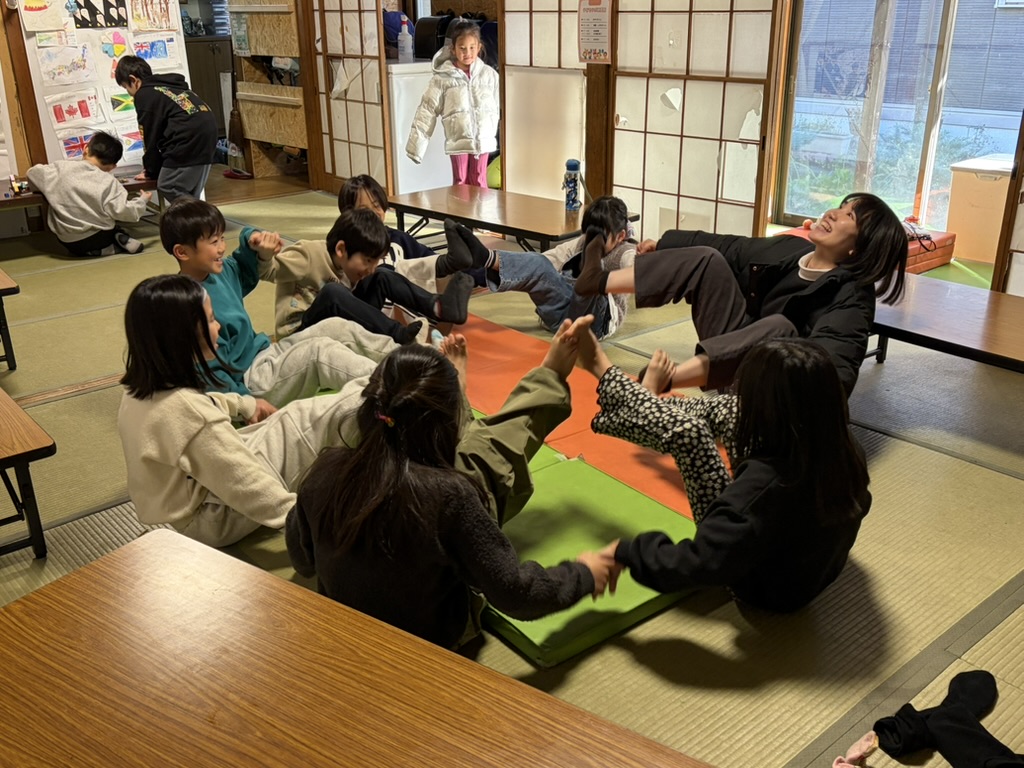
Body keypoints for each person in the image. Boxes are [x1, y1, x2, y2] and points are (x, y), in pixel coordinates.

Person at [286, 318, 615, 649]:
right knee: (483, 456)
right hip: (430, 647)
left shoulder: (324, 470)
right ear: (447, 424)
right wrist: (584, 573)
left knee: (470, 456)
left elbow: (302, 560)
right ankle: (546, 380)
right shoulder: (450, 496)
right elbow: (515, 593)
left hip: (342, 630)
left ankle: (506, 386)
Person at [575, 329, 871, 612]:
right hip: (804, 563)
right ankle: (646, 401)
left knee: (688, 436)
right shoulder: (844, 446)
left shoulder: (760, 491)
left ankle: (614, 380)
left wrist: (625, 552)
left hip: (767, 591)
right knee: (729, 410)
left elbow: (698, 564)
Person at [118, 274, 373, 547]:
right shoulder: (188, 413)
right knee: (309, 416)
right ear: (183, 335)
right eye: (212, 319)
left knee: (293, 411)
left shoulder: (138, 392)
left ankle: (382, 384)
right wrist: (298, 522)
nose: (219, 326)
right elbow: (243, 480)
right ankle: (384, 392)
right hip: (213, 518)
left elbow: (205, 407)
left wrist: (243, 404)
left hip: (193, 507)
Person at [573, 193, 908, 396]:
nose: (834, 212)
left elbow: (836, 374)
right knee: (708, 259)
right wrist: (663, 244)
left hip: (770, 392)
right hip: (733, 358)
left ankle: (667, 379)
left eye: (850, 216)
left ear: (859, 248)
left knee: (782, 327)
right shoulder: (793, 251)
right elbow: (732, 246)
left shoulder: (851, 297)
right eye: (841, 206)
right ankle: (597, 280)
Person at [163, 197, 397, 407]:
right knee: (319, 353)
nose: (222, 247)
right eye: (214, 242)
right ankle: (394, 390)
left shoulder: (221, 272)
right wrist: (246, 404)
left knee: (335, 327)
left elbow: (245, 261)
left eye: (223, 238)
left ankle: (406, 359)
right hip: (250, 381)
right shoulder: (185, 304)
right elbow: (209, 372)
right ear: (182, 252)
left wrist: (253, 238)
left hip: (266, 352)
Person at [263, 208, 474, 345]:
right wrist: (263, 251)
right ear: (341, 249)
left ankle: (439, 307)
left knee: (382, 276)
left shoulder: (352, 268)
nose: (370, 268)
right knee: (333, 293)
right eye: (367, 261)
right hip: (298, 336)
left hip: (333, 329)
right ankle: (399, 335)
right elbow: (268, 271)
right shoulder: (309, 254)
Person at [444, 195, 637, 339]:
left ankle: (475, 270)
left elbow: (637, 272)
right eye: (589, 234)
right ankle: (484, 258)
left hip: (595, 324)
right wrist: (524, 268)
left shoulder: (624, 252)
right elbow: (549, 260)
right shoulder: (581, 243)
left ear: (620, 236)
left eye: (599, 237)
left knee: (594, 268)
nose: (591, 240)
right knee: (539, 262)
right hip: (564, 316)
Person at [338, 174, 471, 293]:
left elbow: (429, 258)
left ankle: (473, 263)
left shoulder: (398, 238)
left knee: (436, 267)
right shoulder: (344, 246)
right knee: (388, 272)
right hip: (367, 305)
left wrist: (479, 270)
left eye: (376, 206)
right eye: (364, 209)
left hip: (403, 305)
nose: (373, 213)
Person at [26, 131, 151, 257]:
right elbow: (124, 211)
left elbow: (32, 173)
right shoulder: (109, 182)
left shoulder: (60, 168)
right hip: (99, 237)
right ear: (112, 166)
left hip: (67, 240)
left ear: (85, 149)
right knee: (115, 227)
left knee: (79, 244)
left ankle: (103, 250)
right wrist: (142, 201)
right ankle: (115, 242)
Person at [406, 19, 499, 188]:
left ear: (479, 47)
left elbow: (499, 106)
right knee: (460, 182)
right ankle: (460, 207)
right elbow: (427, 110)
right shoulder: (442, 78)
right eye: (462, 48)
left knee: (480, 180)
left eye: (472, 47)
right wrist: (416, 148)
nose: (467, 52)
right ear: (453, 49)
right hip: (458, 140)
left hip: (483, 140)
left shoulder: (489, 75)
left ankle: (481, 208)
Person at [115, 55, 218, 204]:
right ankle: (198, 217)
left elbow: (150, 136)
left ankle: (205, 215)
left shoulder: (144, 94)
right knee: (189, 192)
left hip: (188, 137)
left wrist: (151, 171)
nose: (129, 93)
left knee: (167, 185)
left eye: (126, 87)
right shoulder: (170, 87)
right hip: (208, 134)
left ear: (133, 80)